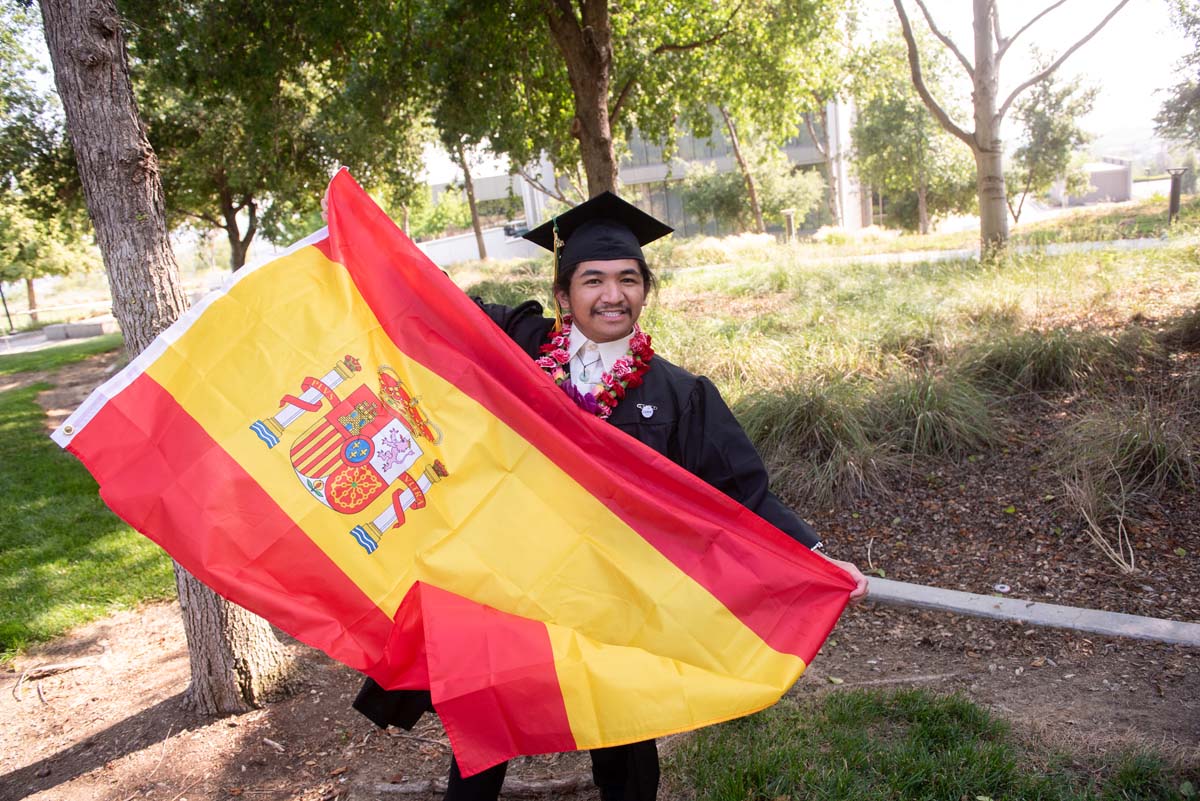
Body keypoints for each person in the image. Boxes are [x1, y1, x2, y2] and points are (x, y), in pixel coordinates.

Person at [353, 191, 869, 801]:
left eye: (628, 279)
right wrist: (368, 241)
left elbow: (742, 492)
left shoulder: (678, 394)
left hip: (614, 592)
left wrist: (812, 554)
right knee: (484, 720)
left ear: (644, 290)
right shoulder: (518, 348)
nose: (612, 295)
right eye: (592, 280)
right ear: (564, 295)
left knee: (623, 731)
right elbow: (436, 304)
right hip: (512, 577)